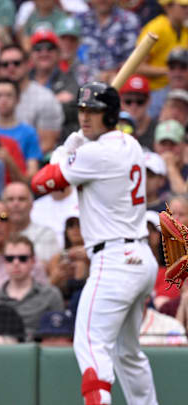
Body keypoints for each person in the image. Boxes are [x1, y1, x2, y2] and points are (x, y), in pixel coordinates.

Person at [31, 82, 159, 405]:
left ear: (111, 114)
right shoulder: (130, 144)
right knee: (127, 352)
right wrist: (76, 149)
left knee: (90, 343)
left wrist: (65, 150)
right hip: (139, 257)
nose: (85, 118)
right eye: (83, 110)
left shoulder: (95, 153)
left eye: (95, 111)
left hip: (114, 259)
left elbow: (41, 182)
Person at [0, 235, 64, 341]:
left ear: (33, 261)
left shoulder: (51, 295)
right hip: (3, 353)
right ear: (4, 261)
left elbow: (60, 334)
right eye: (10, 258)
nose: (16, 263)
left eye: (23, 258)